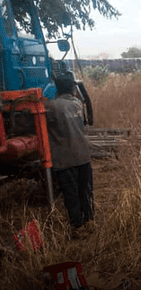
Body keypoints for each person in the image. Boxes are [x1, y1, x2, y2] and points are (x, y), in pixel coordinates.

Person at [45, 71, 94, 231]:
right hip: (83, 156)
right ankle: (89, 220)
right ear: (72, 88)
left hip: (65, 160)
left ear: (56, 88)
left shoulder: (50, 107)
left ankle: (77, 226)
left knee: (71, 194)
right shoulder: (77, 103)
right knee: (85, 191)